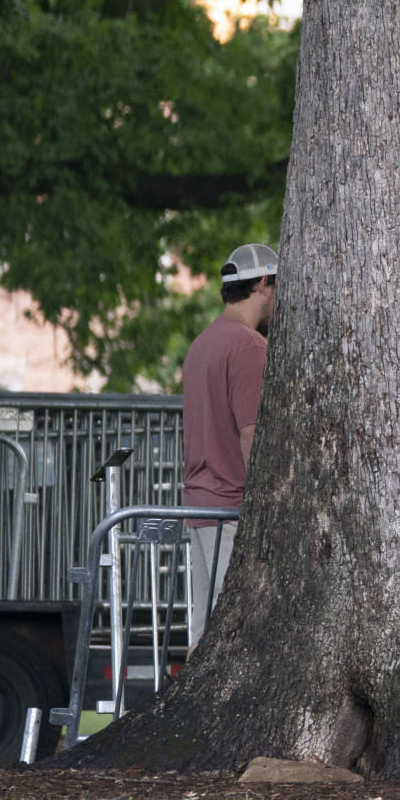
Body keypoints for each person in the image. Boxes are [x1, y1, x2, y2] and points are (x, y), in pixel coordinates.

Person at [181, 242, 276, 647]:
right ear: (262, 284)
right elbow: (250, 431)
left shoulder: (201, 344)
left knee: (205, 633)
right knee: (236, 634)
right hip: (231, 508)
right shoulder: (249, 345)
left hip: (200, 506)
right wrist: (265, 502)